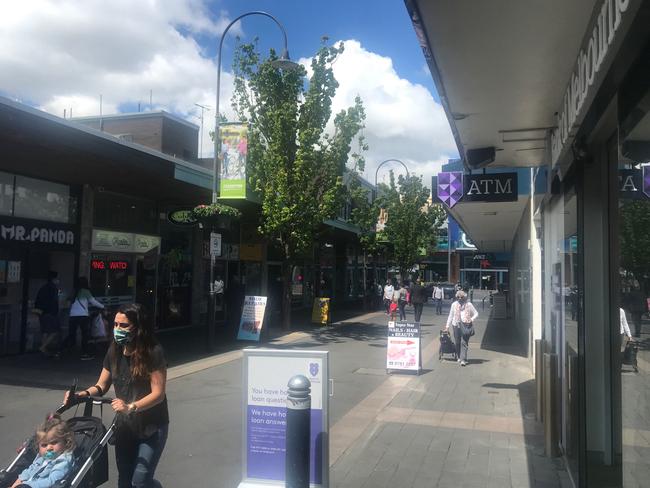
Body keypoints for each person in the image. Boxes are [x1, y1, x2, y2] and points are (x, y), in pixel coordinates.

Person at [65, 303, 168, 488]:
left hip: (152, 426)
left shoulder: (153, 352)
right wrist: (81, 395)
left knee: (141, 481)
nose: (117, 329)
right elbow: (101, 385)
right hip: (125, 427)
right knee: (124, 479)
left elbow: (158, 394)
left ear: (138, 327)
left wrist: (131, 407)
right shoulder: (114, 351)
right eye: (115, 325)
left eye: (124, 325)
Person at [10, 413, 75, 488]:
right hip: (26, 485)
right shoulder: (43, 456)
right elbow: (30, 470)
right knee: (5, 478)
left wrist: (27, 485)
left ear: (65, 442)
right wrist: (15, 484)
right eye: (44, 445)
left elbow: (51, 481)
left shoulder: (63, 461)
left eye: (53, 443)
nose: (49, 448)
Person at [66, 276, 105, 360]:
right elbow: (93, 302)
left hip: (72, 315)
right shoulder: (85, 291)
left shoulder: (74, 291)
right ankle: (85, 353)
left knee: (71, 334)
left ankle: (66, 350)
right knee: (85, 335)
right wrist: (103, 306)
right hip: (83, 315)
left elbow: (68, 301)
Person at [446, 290, 479, 366]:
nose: (460, 298)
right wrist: (447, 326)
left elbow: (476, 313)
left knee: (464, 342)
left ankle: (463, 359)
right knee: (457, 342)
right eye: (458, 297)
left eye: (461, 297)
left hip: (466, 325)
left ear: (464, 297)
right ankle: (459, 356)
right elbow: (450, 316)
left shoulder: (469, 304)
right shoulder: (454, 304)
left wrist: (471, 319)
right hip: (456, 324)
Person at [35, 271, 61, 358]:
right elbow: (54, 301)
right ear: (54, 279)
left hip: (41, 312)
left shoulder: (43, 288)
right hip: (50, 312)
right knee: (54, 331)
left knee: (45, 331)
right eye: (57, 278)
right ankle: (43, 347)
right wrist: (55, 312)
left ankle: (44, 348)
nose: (58, 280)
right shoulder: (53, 288)